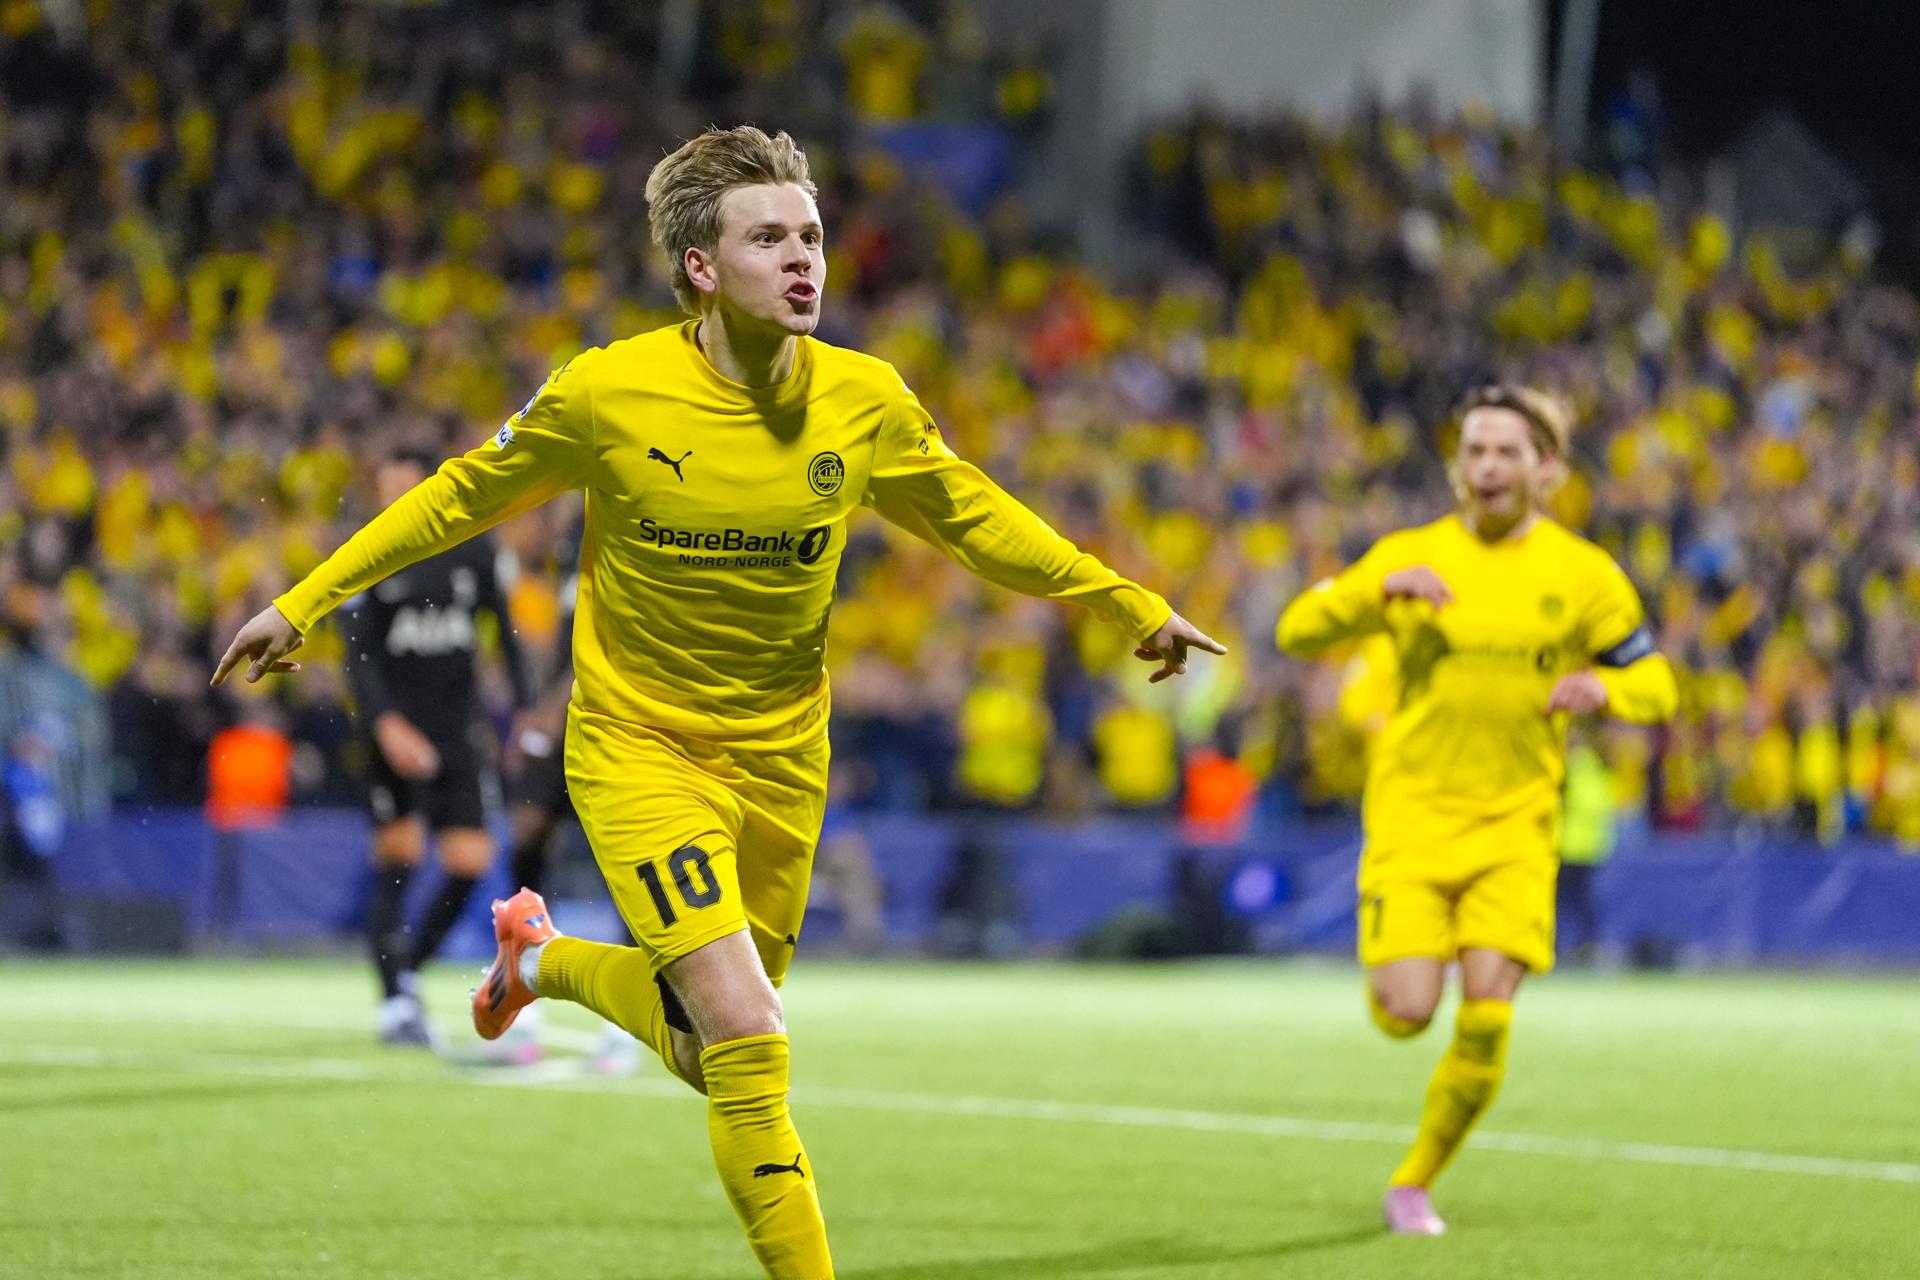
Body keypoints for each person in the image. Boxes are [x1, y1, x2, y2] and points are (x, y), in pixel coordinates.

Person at [213, 125, 1223, 1279]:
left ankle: (538, 964)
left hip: (785, 757)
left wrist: (1124, 598)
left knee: (707, 1046)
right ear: (701, 265)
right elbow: (454, 499)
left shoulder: (865, 399)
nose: (804, 261)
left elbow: (977, 515)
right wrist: (303, 600)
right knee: (749, 1028)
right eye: (768, 238)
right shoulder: (607, 391)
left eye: (811, 236)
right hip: (639, 744)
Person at [1275, 385, 1676, 1237]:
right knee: (1406, 1013)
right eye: (1475, 451)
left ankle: (1414, 1183)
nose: (1488, 465)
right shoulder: (1411, 553)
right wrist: (1377, 590)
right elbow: (1297, 631)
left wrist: (1603, 685)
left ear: (1547, 470)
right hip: (1414, 821)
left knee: (1488, 1011)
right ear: (1457, 468)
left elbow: (1658, 680)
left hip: (1518, 828)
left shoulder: (1584, 573)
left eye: (1506, 451)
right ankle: (1414, 966)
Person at [338, 450, 532, 1047]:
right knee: (399, 855)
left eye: (404, 483)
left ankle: (409, 973)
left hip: (457, 730)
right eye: (385, 484)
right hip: (392, 730)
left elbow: (508, 634)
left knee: (471, 861)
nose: (393, 494)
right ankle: (394, 999)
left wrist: (524, 710)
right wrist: (387, 726)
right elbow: (357, 658)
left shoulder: (475, 550)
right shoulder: (367, 553)